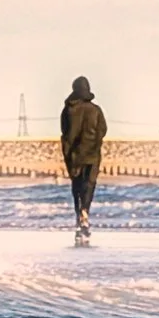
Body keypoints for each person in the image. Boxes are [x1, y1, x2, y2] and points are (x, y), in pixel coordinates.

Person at [59, 76, 108, 237]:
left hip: (75, 155)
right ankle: (85, 211)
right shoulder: (96, 110)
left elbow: (65, 133)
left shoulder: (68, 110)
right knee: (89, 185)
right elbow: (103, 129)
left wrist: (67, 152)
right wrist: (95, 142)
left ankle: (78, 216)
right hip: (92, 154)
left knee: (77, 187)